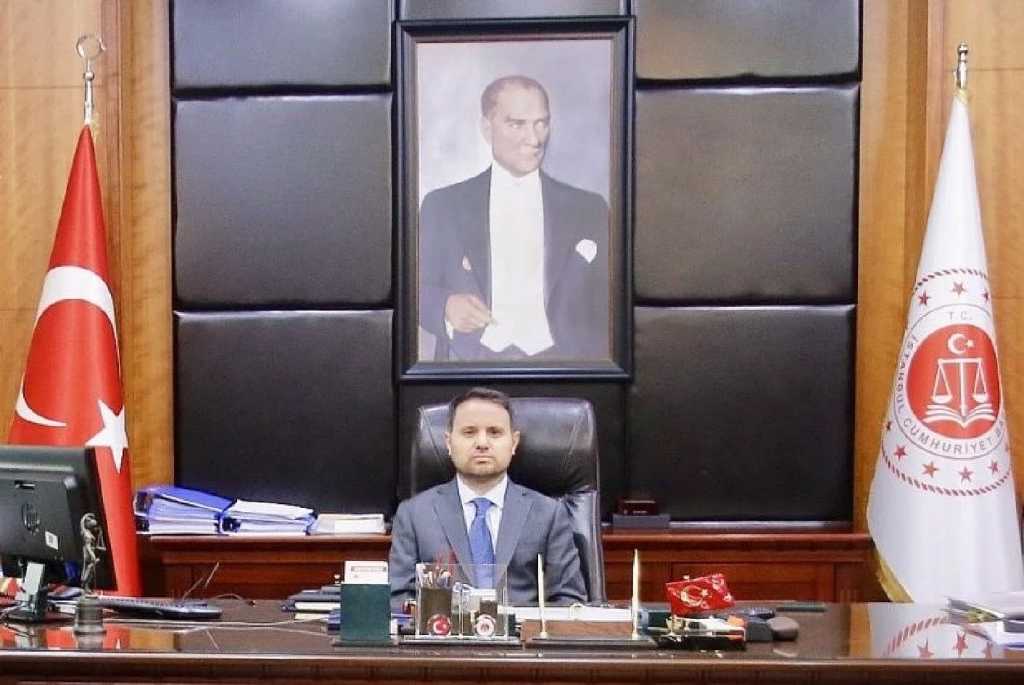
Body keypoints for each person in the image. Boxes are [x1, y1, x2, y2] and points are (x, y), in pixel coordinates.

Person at [419, 75, 610, 362]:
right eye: (517, 124)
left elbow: (612, 304)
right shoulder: (442, 206)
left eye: (541, 123)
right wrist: (445, 306)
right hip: (468, 367)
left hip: (565, 369)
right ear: (487, 128)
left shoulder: (590, 209)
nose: (534, 139)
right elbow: (412, 290)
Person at [389, 387, 586, 608]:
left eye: (494, 432)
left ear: (513, 443)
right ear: (448, 443)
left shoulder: (549, 515)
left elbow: (570, 602)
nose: (482, 443)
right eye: (469, 432)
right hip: (445, 629)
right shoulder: (414, 515)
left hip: (522, 629)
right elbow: (398, 602)